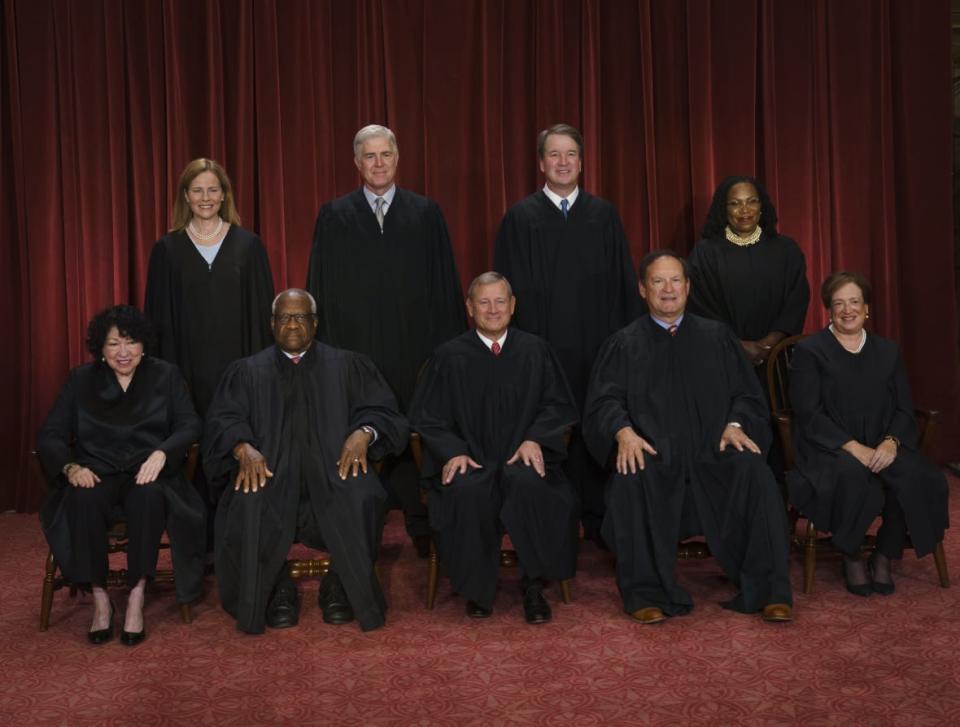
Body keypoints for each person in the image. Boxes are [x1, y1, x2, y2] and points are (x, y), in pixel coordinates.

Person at [583, 251, 793, 624]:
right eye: (658, 282)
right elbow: (603, 402)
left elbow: (747, 395)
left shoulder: (717, 337)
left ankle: (769, 590)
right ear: (643, 289)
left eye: (675, 280)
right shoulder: (624, 343)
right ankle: (645, 592)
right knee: (632, 477)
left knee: (755, 474)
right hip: (656, 455)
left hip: (714, 450)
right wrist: (623, 430)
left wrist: (737, 424)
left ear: (688, 287)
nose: (668, 289)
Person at [203, 289, 409, 634]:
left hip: (335, 473)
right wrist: (241, 447)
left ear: (315, 322)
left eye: (301, 317)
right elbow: (222, 419)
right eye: (285, 317)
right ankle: (274, 588)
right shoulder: (247, 372)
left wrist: (365, 432)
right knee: (248, 500)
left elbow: (385, 412)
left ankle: (340, 583)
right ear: (272, 324)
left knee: (363, 496)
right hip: (271, 474)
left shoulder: (348, 365)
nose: (293, 324)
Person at [305, 124, 465, 555]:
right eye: (369, 157)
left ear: (398, 159)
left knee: (418, 431)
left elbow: (445, 287)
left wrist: (445, 353)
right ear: (357, 163)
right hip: (357, 354)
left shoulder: (425, 213)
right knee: (363, 432)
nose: (378, 164)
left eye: (386, 155)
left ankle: (424, 525)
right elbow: (319, 289)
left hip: (415, 351)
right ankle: (361, 533)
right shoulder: (334, 216)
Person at [493, 123, 641, 545]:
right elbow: (505, 295)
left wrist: (622, 348)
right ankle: (552, 525)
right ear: (541, 163)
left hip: (598, 350)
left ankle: (599, 521)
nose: (562, 162)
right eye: (554, 155)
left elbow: (623, 285)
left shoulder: (603, 215)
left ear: (581, 162)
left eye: (570, 154)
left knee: (596, 429)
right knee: (548, 430)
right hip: (541, 351)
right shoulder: (520, 219)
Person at [410, 272, 580, 623]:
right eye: (483, 302)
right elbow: (427, 417)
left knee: (530, 484)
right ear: (470, 308)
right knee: (468, 491)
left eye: (500, 301)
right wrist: (453, 450)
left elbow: (559, 407)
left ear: (513, 306)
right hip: (471, 460)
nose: (492, 309)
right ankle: (477, 589)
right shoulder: (449, 356)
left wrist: (535, 438)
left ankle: (533, 586)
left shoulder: (536, 350)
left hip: (523, 458)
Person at [37, 305, 204, 646]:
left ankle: (137, 596)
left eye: (130, 342)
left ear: (144, 344)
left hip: (147, 470)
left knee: (149, 496)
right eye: (113, 344)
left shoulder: (166, 375)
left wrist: (163, 452)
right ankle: (100, 598)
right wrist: (71, 467)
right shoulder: (80, 380)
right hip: (95, 471)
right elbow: (50, 435)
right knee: (83, 498)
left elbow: (190, 423)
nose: (123, 352)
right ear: (101, 349)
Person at [787, 272, 948, 596]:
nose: (848, 310)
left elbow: (904, 408)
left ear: (867, 308)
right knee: (851, 476)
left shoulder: (887, 351)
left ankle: (885, 554)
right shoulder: (811, 351)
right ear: (829, 311)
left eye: (855, 302)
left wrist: (891, 442)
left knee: (921, 477)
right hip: (829, 446)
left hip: (882, 442)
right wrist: (852, 447)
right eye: (839, 303)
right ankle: (852, 553)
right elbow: (808, 413)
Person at [144, 158, 275, 528]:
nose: (205, 197)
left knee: (239, 447)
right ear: (185, 195)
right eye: (197, 190)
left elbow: (263, 318)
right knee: (193, 457)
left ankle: (240, 534)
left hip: (239, 373)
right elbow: (156, 323)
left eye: (212, 190)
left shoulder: (248, 246)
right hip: (187, 374)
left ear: (224, 195)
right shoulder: (167, 251)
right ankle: (197, 543)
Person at [687, 175, 809, 370]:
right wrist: (739, 346)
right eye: (735, 203)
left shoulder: (786, 249)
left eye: (752, 201)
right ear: (724, 209)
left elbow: (797, 299)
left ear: (762, 206)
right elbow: (700, 306)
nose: (745, 210)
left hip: (776, 359)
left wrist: (771, 342)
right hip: (723, 359)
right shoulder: (706, 253)